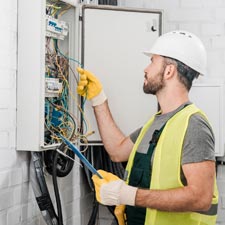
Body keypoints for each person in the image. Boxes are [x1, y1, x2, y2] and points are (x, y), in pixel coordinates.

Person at [76, 30, 218, 225]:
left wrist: (127, 195)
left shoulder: (194, 125)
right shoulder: (156, 123)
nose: (145, 68)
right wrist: (98, 98)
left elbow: (200, 197)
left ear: (169, 71)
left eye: (152, 61)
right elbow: (117, 150)